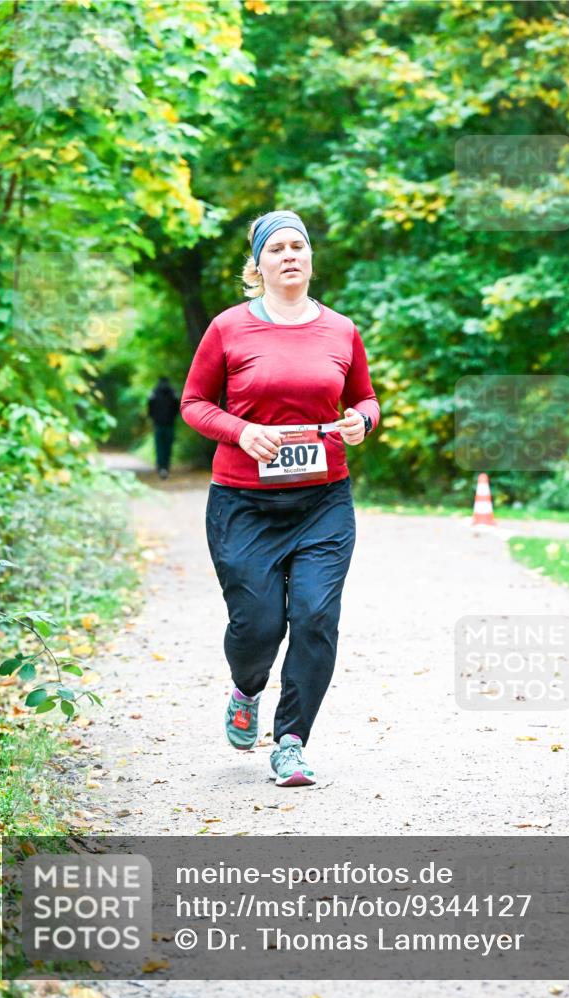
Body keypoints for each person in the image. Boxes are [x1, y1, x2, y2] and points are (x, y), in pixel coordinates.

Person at [181, 210, 380, 786]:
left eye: (299, 246)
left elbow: (365, 398)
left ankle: (291, 741)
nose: (290, 255)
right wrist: (242, 431)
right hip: (243, 502)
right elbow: (195, 403)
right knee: (257, 626)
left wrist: (360, 422)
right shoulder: (228, 328)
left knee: (316, 618)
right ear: (259, 264)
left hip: (323, 502)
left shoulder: (341, 330)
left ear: (311, 259)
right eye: (277, 249)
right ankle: (247, 688)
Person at [148, 376, 180, 479]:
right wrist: (173, 418)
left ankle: (160, 466)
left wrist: (153, 418)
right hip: (170, 424)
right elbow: (177, 408)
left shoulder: (154, 392)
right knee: (168, 447)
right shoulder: (173, 392)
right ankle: (166, 467)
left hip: (158, 424)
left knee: (159, 447)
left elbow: (149, 407)